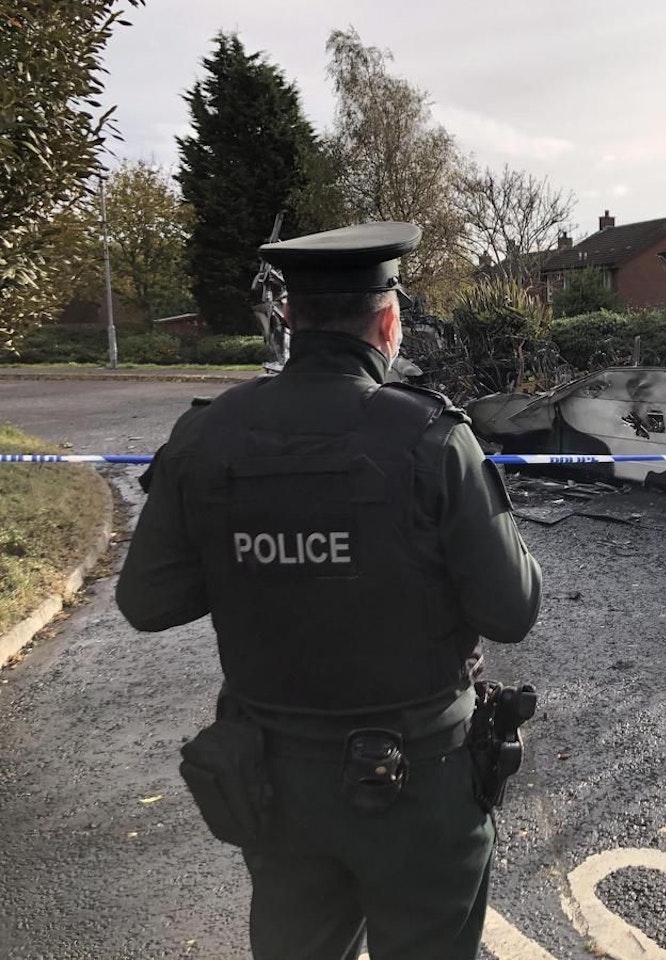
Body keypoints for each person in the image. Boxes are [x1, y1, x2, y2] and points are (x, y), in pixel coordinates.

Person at [116, 221, 543, 960]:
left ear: (290, 318)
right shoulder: (434, 437)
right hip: (421, 784)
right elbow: (512, 610)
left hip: (274, 785)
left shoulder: (209, 436)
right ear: (388, 321)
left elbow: (147, 603)